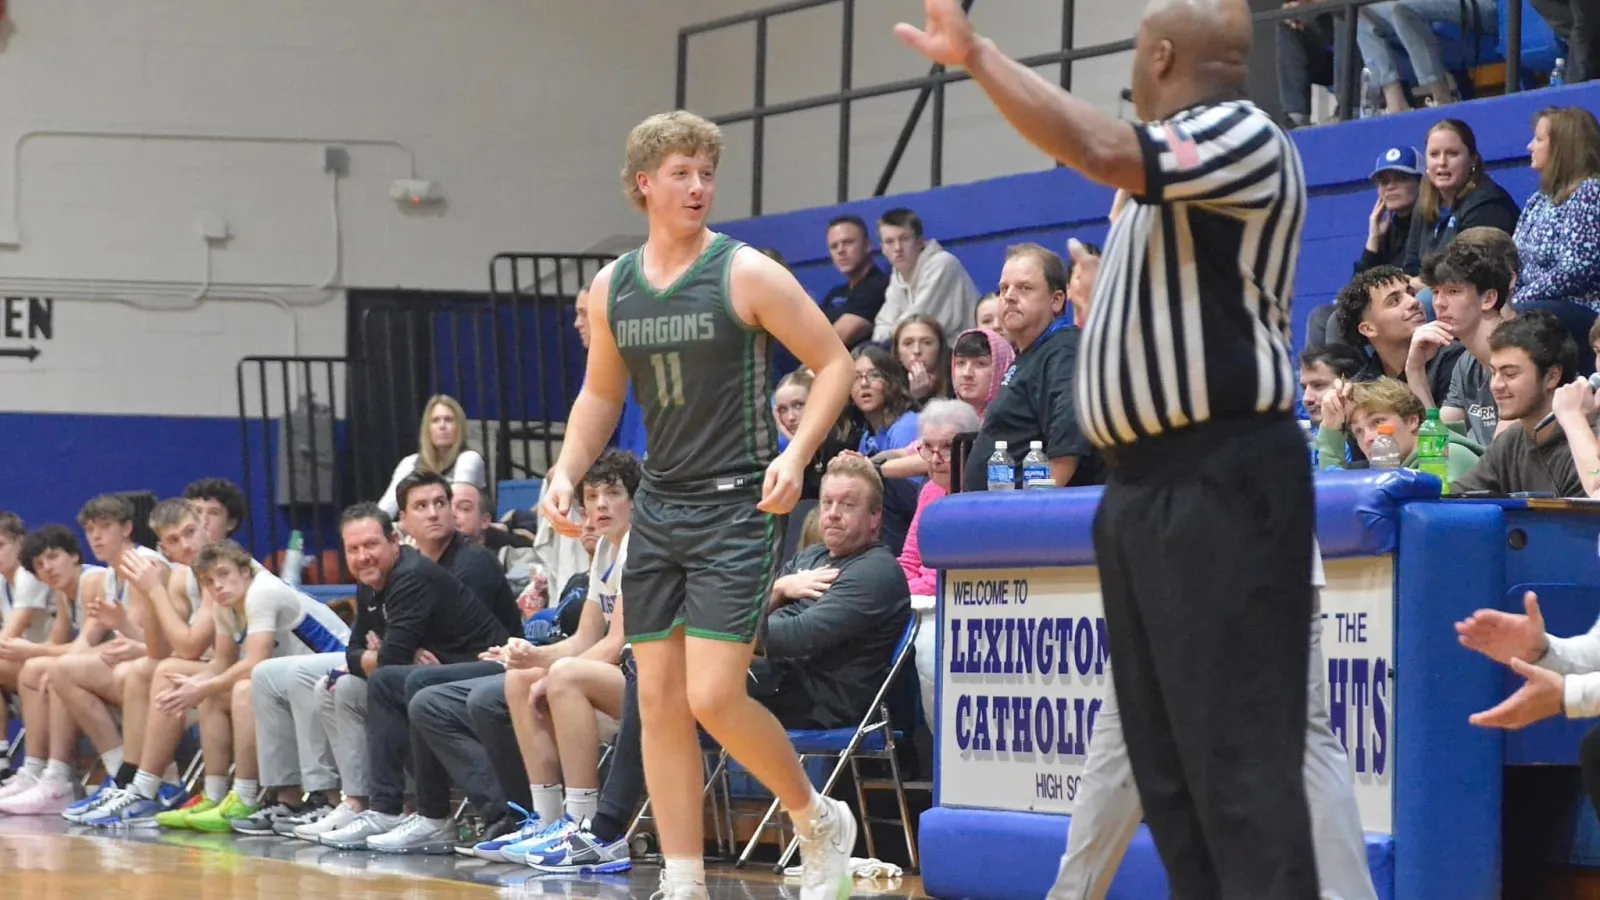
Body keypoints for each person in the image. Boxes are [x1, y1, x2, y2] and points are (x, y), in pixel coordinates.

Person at [896, 0, 1320, 895]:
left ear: (1161, 54)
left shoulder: (1242, 134)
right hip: (1146, 489)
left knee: (1238, 768)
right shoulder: (1157, 184)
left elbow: (1099, 146)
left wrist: (977, 57)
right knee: (1168, 775)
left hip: (1223, 472)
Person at [539, 110, 858, 900]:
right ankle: (682, 877)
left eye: (707, 173)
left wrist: (795, 453)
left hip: (737, 506)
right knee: (658, 699)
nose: (699, 187)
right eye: (682, 172)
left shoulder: (746, 272)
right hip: (664, 506)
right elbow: (599, 393)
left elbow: (835, 364)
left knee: (713, 695)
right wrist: (566, 468)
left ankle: (815, 818)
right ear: (644, 183)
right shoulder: (615, 286)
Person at [377, 395, 487, 519]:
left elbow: (454, 506)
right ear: (427, 428)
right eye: (435, 420)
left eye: (449, 420)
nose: (442, 426)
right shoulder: (410, 462)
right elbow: (387, 507)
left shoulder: (469, 458)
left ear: (459, 427)